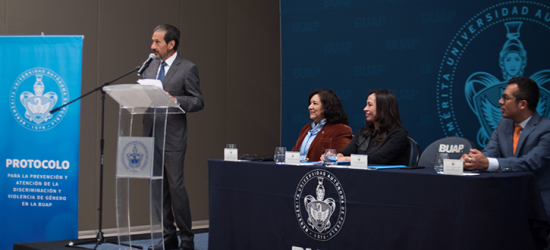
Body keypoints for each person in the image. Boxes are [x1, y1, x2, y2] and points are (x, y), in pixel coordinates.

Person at [142, 24, 204, 250]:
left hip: (173, 137)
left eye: (157, 42)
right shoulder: (149, 67)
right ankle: (168, 238)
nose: (152, 46)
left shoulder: (187, 68)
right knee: (158, 190)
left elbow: (198, 101)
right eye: (152, 41)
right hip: (151, 135)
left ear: (171, 44)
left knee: (176, 188)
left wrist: (176, 99)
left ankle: (187, 239)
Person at [461, 76, 550, 217]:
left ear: (522, 104)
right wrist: (472, 161)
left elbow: (530, 163)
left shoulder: (546, 128)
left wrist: (486, 163)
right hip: (506, 199)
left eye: (506, 98)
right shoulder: (504, 124)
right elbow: (489, 153)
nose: (500, 101)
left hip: (538, 203)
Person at [333, 89, 409, 165]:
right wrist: (335, 157)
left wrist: (346, 159)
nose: (365, 109)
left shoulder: (398, 134)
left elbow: (378, 159)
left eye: (370, 105)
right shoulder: (363, 132)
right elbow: (347, 152)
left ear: (383, 108)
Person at [292, 89, 352, 161]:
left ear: (326, 107)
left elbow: (339, 159)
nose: (310, 107)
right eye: (310, 103)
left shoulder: (341, 130)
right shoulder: (306, 128)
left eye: (315, 103)